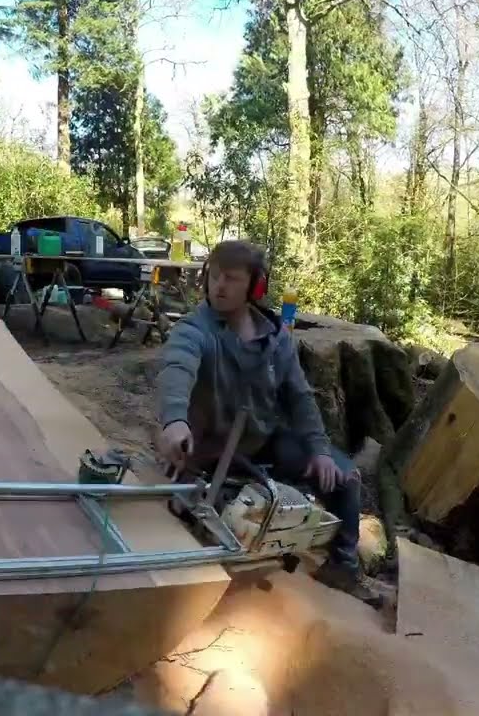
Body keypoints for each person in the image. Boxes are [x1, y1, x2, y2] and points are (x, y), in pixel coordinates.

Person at [155, 240, 379, 605]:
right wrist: (174, 422)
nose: (218, 286)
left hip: (261, 441)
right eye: (213, 277)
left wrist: (320, 451)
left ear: (256, 286)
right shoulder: (195, 330)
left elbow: (300, 397)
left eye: (231, 279)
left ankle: (342, 566)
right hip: (208, 448)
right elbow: (176, 369)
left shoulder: (276, 338)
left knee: (344, 476)